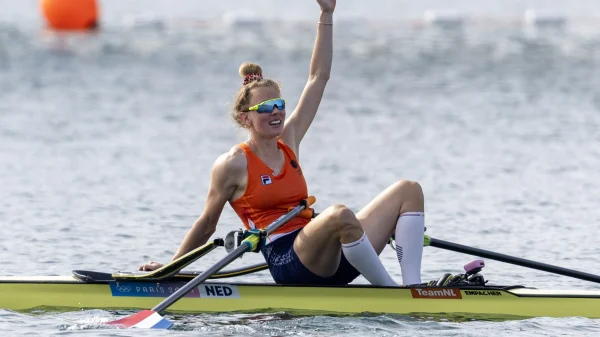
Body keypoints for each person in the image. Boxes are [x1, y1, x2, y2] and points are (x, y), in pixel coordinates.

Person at [139, 0, 426, 287]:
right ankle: (391, 293)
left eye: (278, 104)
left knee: (409, 190)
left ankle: (413, 289)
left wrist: (326, 14)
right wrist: (171, 268)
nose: (275, 111)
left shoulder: (289, 140)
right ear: (245, 119)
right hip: (287, 260)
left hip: (323, 252)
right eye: (264, 107)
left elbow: (318, 78)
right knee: (340, 214)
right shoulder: (233, 164)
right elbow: (206, 225)